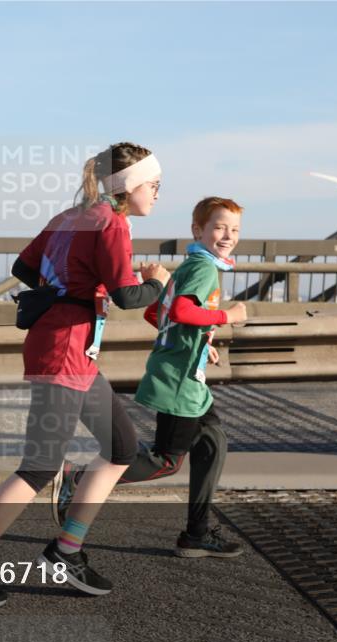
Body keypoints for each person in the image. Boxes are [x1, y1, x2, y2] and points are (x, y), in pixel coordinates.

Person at [0, 142, 171, 609]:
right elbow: (128, 296)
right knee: (40, 465)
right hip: (65, 351)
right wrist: (158, 283)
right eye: (155, 185)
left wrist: (65, 287)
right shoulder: (111, 222)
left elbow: (23, 266)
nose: (159, 194)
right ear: (129, 186)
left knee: (122, 449)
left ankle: (66, 551)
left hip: (74, 351)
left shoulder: (70, 216)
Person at [53, 196, 249, 558]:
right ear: (198, 230)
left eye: (234, 229)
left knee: (213, 442)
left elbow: (158, 315)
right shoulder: (204, 269)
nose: (227, 235)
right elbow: (181, 309)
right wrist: (227, 318)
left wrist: (200, 342)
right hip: (179, 382)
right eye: (219, 227)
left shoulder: (195, 264)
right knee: (166, 460)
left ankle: (197, 533)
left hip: (185, 374)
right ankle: (80, 479)